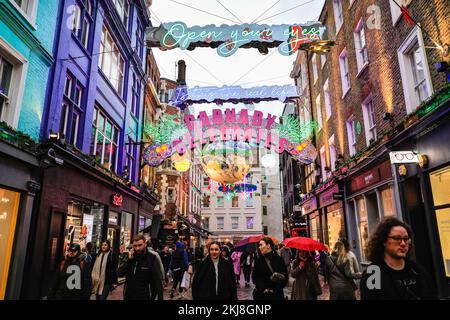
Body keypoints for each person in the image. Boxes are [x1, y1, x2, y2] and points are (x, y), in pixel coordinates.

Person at [360, 217, 435, 300]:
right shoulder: (373, 273)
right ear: (383, 241)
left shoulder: (416, 270)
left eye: (406, 239)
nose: (403, 243)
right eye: (397, 238)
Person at [118, 235, 163, 300]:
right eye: (135, 246)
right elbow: (119, 273)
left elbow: (158, 281)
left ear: (145, 244)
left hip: (145, 296)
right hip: (129, 296)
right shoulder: (130, 257)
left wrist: (160, 297)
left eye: (140, 245)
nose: (137, 248)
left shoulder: (152, 258)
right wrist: (128, 260)